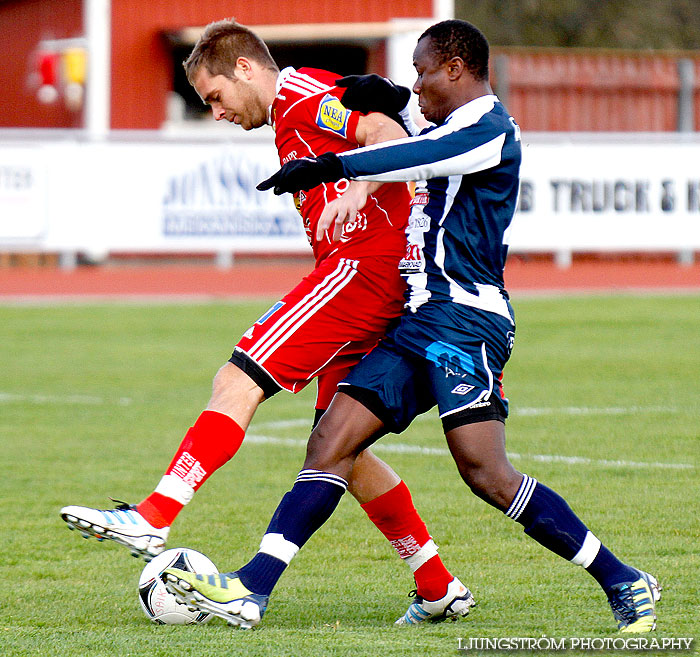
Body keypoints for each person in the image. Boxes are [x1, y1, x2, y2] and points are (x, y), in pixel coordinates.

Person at [163, 19, 661, 633]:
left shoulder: (489, 130)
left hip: (468, 323)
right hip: (420, 320)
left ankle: (623, 579)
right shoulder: (449, 122)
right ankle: (251, 589)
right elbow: (412, 123)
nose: (416, 83)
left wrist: (330, 166)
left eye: (423, 72)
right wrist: (391, 96)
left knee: (486, 474)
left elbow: (418, 154)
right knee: (331, 439)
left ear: (456, 68)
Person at [59, 19, 475, 625]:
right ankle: (437, 585)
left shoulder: (300, 92)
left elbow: (381, 130)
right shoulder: (288, 116)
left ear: (247, 69)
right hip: (384, 275)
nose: (217, 113)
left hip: (364, 270)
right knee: (340, 450)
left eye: (216, 97)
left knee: (237, 377)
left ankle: (154, 515)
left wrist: (359, 183)